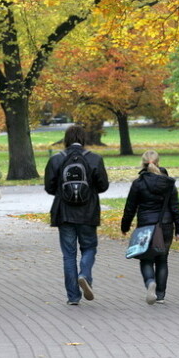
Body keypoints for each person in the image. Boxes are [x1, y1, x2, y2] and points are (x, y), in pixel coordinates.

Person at [44, 125, 109, 305]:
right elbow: (103, 186)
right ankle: (85, 275)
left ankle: (73, 297)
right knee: (89, 247)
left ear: (66, 138)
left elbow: (49, 187)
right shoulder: (94, 159)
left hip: (64, 213)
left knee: (69, 255)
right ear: (84, 139)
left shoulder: (57, 159)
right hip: (88, 212)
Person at [121, 150, 179, 305]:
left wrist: (125, 226)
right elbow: (175, 207)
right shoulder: (168, 183)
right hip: (165, 225)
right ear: (158, 162)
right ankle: (160, 295)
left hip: (145, 226)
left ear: (143, 163)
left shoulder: (138, 183)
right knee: (162, 260)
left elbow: (130, 207)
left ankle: (150, 282)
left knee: (146, 259)